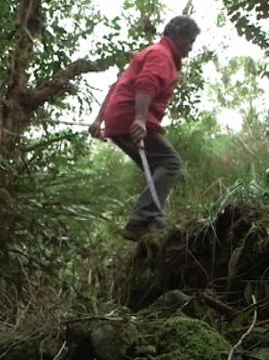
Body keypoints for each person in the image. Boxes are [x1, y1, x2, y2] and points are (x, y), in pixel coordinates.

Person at [89, 15, 200, 241]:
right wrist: (139, 119)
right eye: (190, 41)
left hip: (119, 119)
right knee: (170, 163)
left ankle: (156, 224)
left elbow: (116, 87)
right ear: (178, 34)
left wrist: (99, 120)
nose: (190, 49)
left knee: (157, 169)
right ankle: (141, 220)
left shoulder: (150, 53)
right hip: (131, 118)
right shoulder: (161, 55)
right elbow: (146, 83)